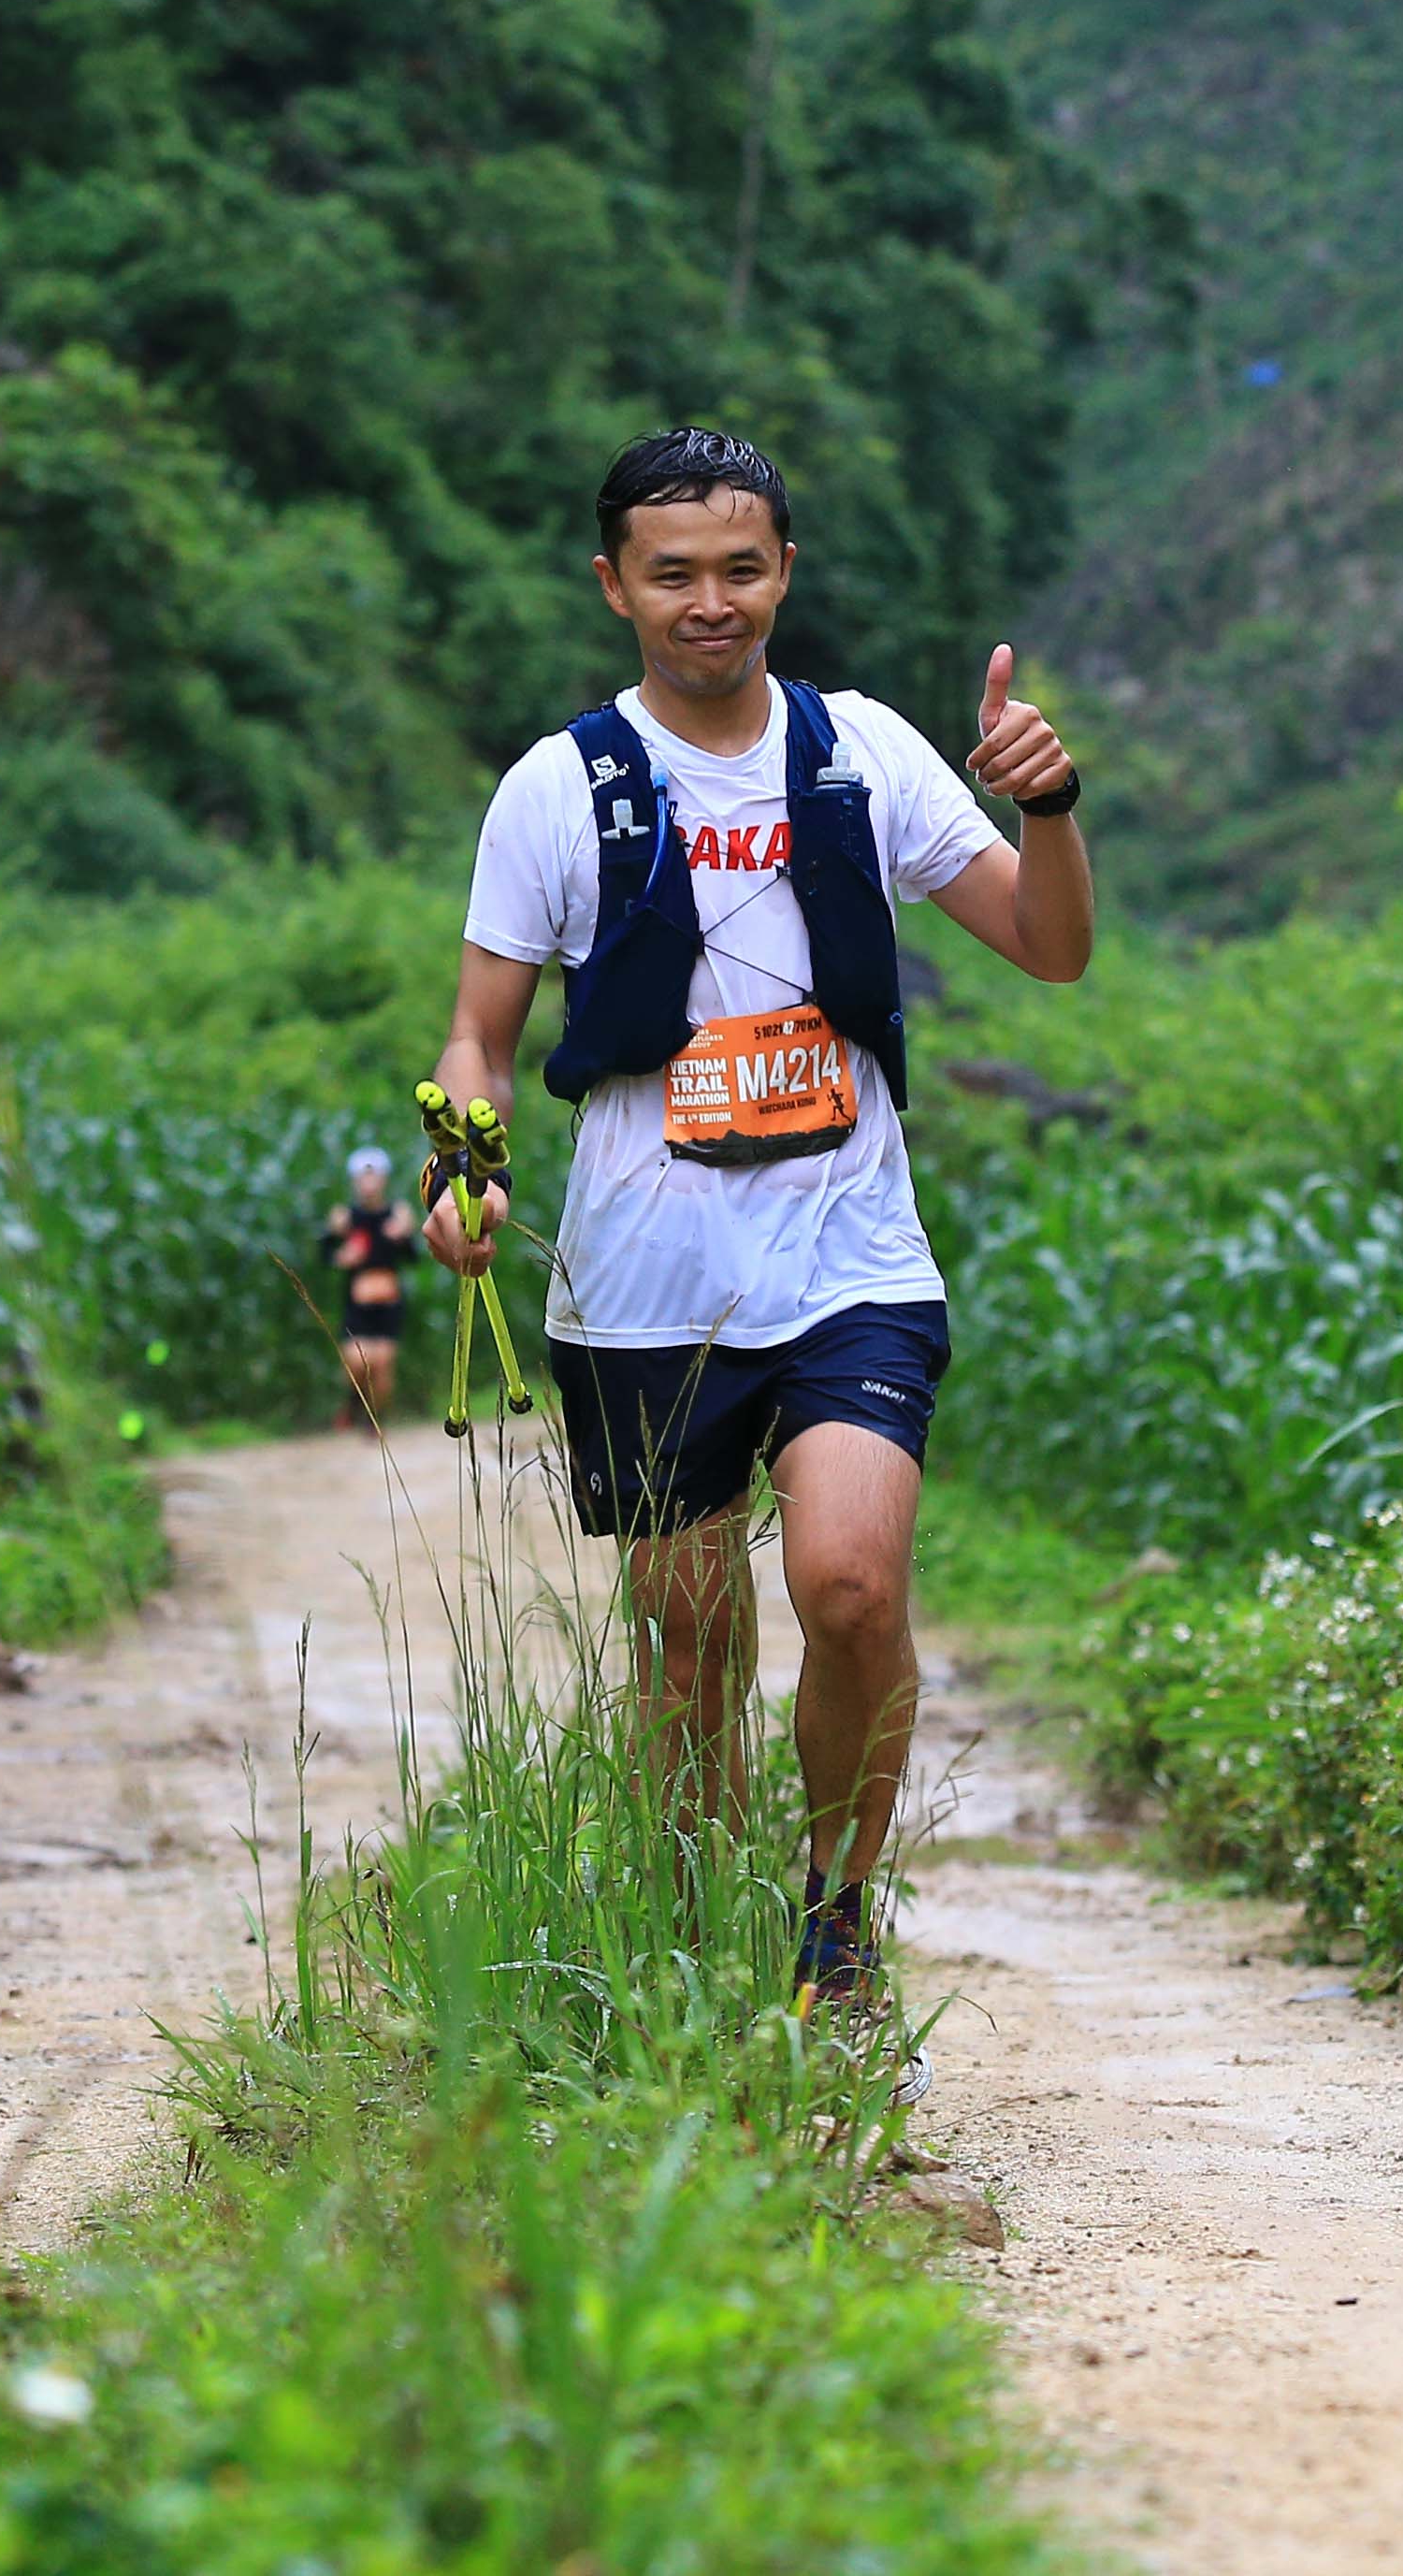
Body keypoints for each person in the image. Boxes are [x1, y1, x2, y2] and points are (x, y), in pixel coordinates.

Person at [420, 424, 1091, 2012]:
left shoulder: (865, 754)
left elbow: (1050, 947)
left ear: (785, 570)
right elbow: (477, 1039)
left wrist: (1050, 806)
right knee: (690, 1643)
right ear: (615, 585)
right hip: (642, 1282)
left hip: (852, 1259)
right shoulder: (559, 788)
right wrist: (463, 1168)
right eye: (673, 574)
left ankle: (833, 1925)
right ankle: (691, 1947)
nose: (708, 601)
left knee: (851, 1585)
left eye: (740, 567)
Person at [324, 1150, 418, 1432]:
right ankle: (354, 1400)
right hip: (357, 1302)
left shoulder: (397, 1216)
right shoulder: (345, 1218)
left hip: (388, 1301)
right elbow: (326, 1254)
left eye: (373, 1175)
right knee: (356, 1360)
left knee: (383, 1362)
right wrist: (341, 1254)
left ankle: (374, 1419)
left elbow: (413, 1257)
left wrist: (403, 1235)